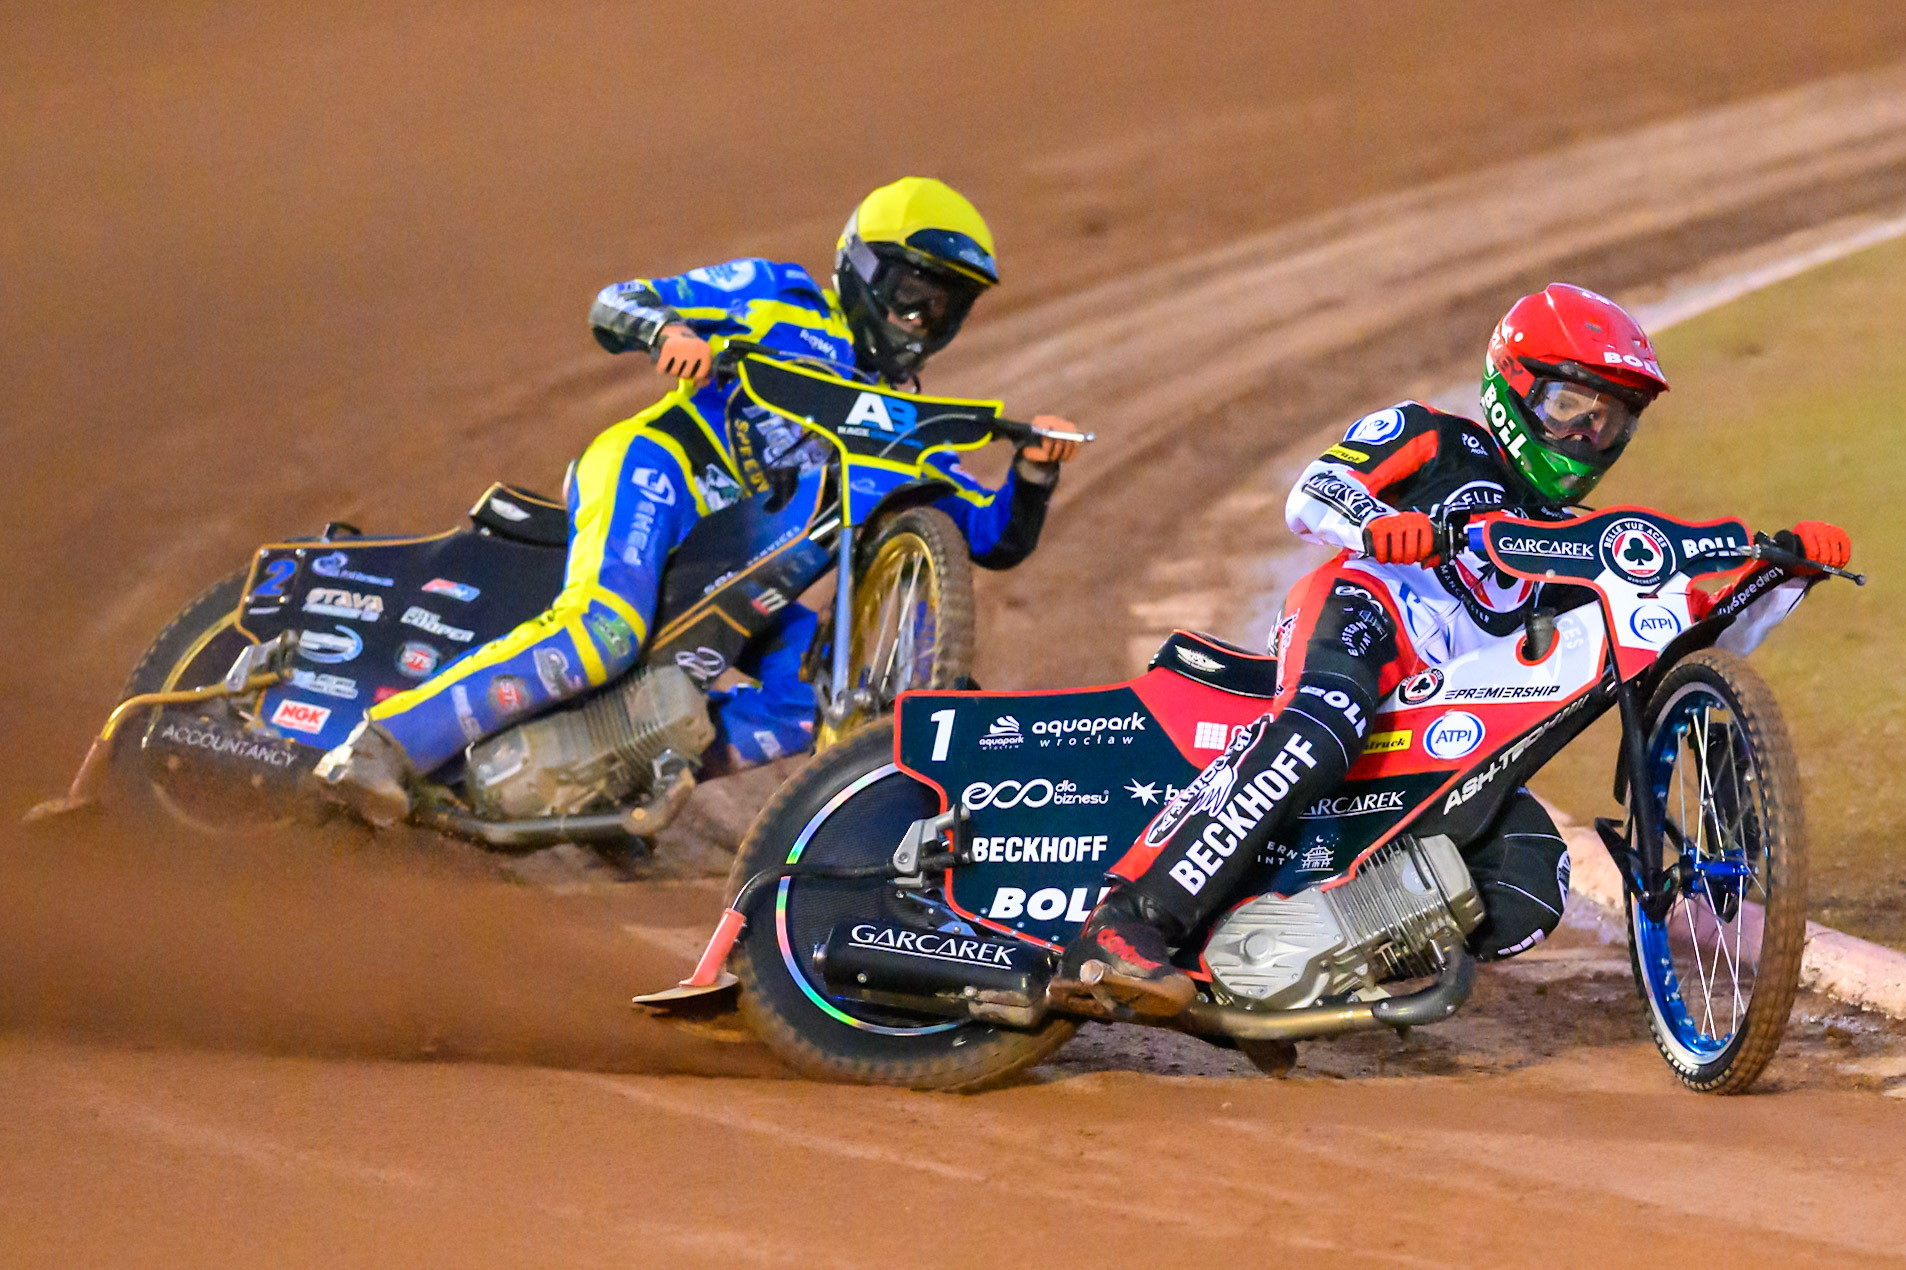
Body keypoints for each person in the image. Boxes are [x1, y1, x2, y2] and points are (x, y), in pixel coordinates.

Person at [1057, 282, 1854, 1015]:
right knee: (1321, 727)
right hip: (1363, 620)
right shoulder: (1432, 438)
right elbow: (1315, 489)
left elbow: (1697, 635)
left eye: (1607, 418)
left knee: (1529, 877)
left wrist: (1782, 573)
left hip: (1445, 715)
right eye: (1571, 403)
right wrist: (1376, 524)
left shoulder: (1584, 538)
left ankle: (1298, 956)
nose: (1585, 431)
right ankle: (1131, 921)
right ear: (1514, 387)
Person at [317, 177, 1082, 824]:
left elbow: (992, 538)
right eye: (913, 293)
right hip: (658, 470)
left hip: (739, 566)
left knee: (810, 704)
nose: (922, 319)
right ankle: (380, 745)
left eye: (944, 308)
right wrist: (668, 331)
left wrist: (1037, 473)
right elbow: (619, 301)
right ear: (866, 268)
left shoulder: (906, 435)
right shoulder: (777, 296)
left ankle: (619, 770)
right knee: (605, 631)